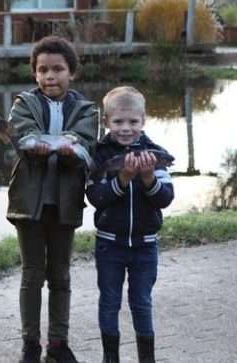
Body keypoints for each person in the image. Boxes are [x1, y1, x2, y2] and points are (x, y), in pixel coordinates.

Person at [6, 36, 98, 363]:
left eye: (57, 69)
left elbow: (85, 145)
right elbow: (22, 138)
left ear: (70, 72)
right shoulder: (22, 104)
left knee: (60, 275)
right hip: (28, 205)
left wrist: (69, 147)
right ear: (34, 74)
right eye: (43, 70)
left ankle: (58, 343)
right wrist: (40, 145)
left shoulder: (86, 109)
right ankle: (30, 343)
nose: (50, 76)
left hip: (66, 204)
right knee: (32, 275)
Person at [86, 86, 174, 363]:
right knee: (109, 301)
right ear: (106, 122)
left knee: (142, 303)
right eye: (118, 122)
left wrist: (148, 178)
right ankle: (110, 357)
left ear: (143, 120)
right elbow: (96, 197)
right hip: (109, 244)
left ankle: (146, 357)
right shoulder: (99, 156)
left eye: (133, 122)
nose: (126, 128)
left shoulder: (156, 154)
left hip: (145, 247)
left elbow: (165, 199)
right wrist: (122, 179)